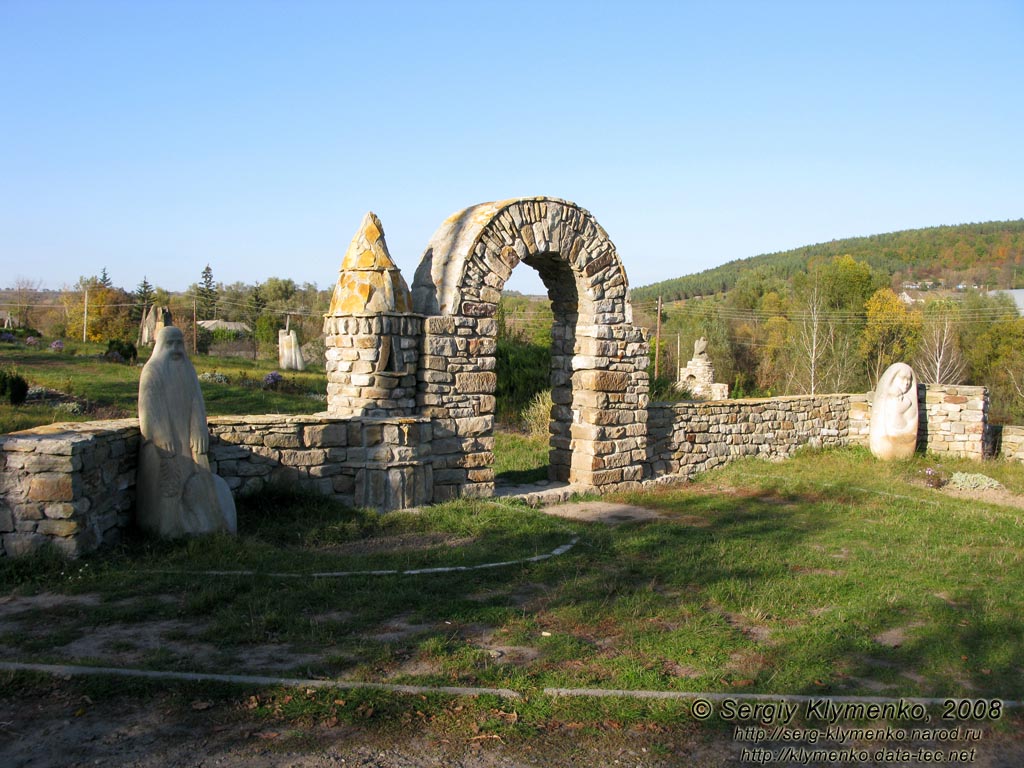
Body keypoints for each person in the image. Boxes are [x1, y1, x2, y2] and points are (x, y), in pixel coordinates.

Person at [136, 326, 237, 537]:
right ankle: (168, 529)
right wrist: (161, 436)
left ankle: (201, 524)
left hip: (188, 442)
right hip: (166, 444)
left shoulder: (188, 370)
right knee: (169, 486)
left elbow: (196, 402)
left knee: (198, 483)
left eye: (178, 343)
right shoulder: (152, 371)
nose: (175, 349)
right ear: (160, 345)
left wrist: (199, 429)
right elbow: (148, 408)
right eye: (169, 344)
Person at [869, 362, 918, 460]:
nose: (906, 383)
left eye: (909, 379)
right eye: (902, 378)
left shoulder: (907, 400)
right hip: (888, 440)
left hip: (905, 436)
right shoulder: (891, 400)